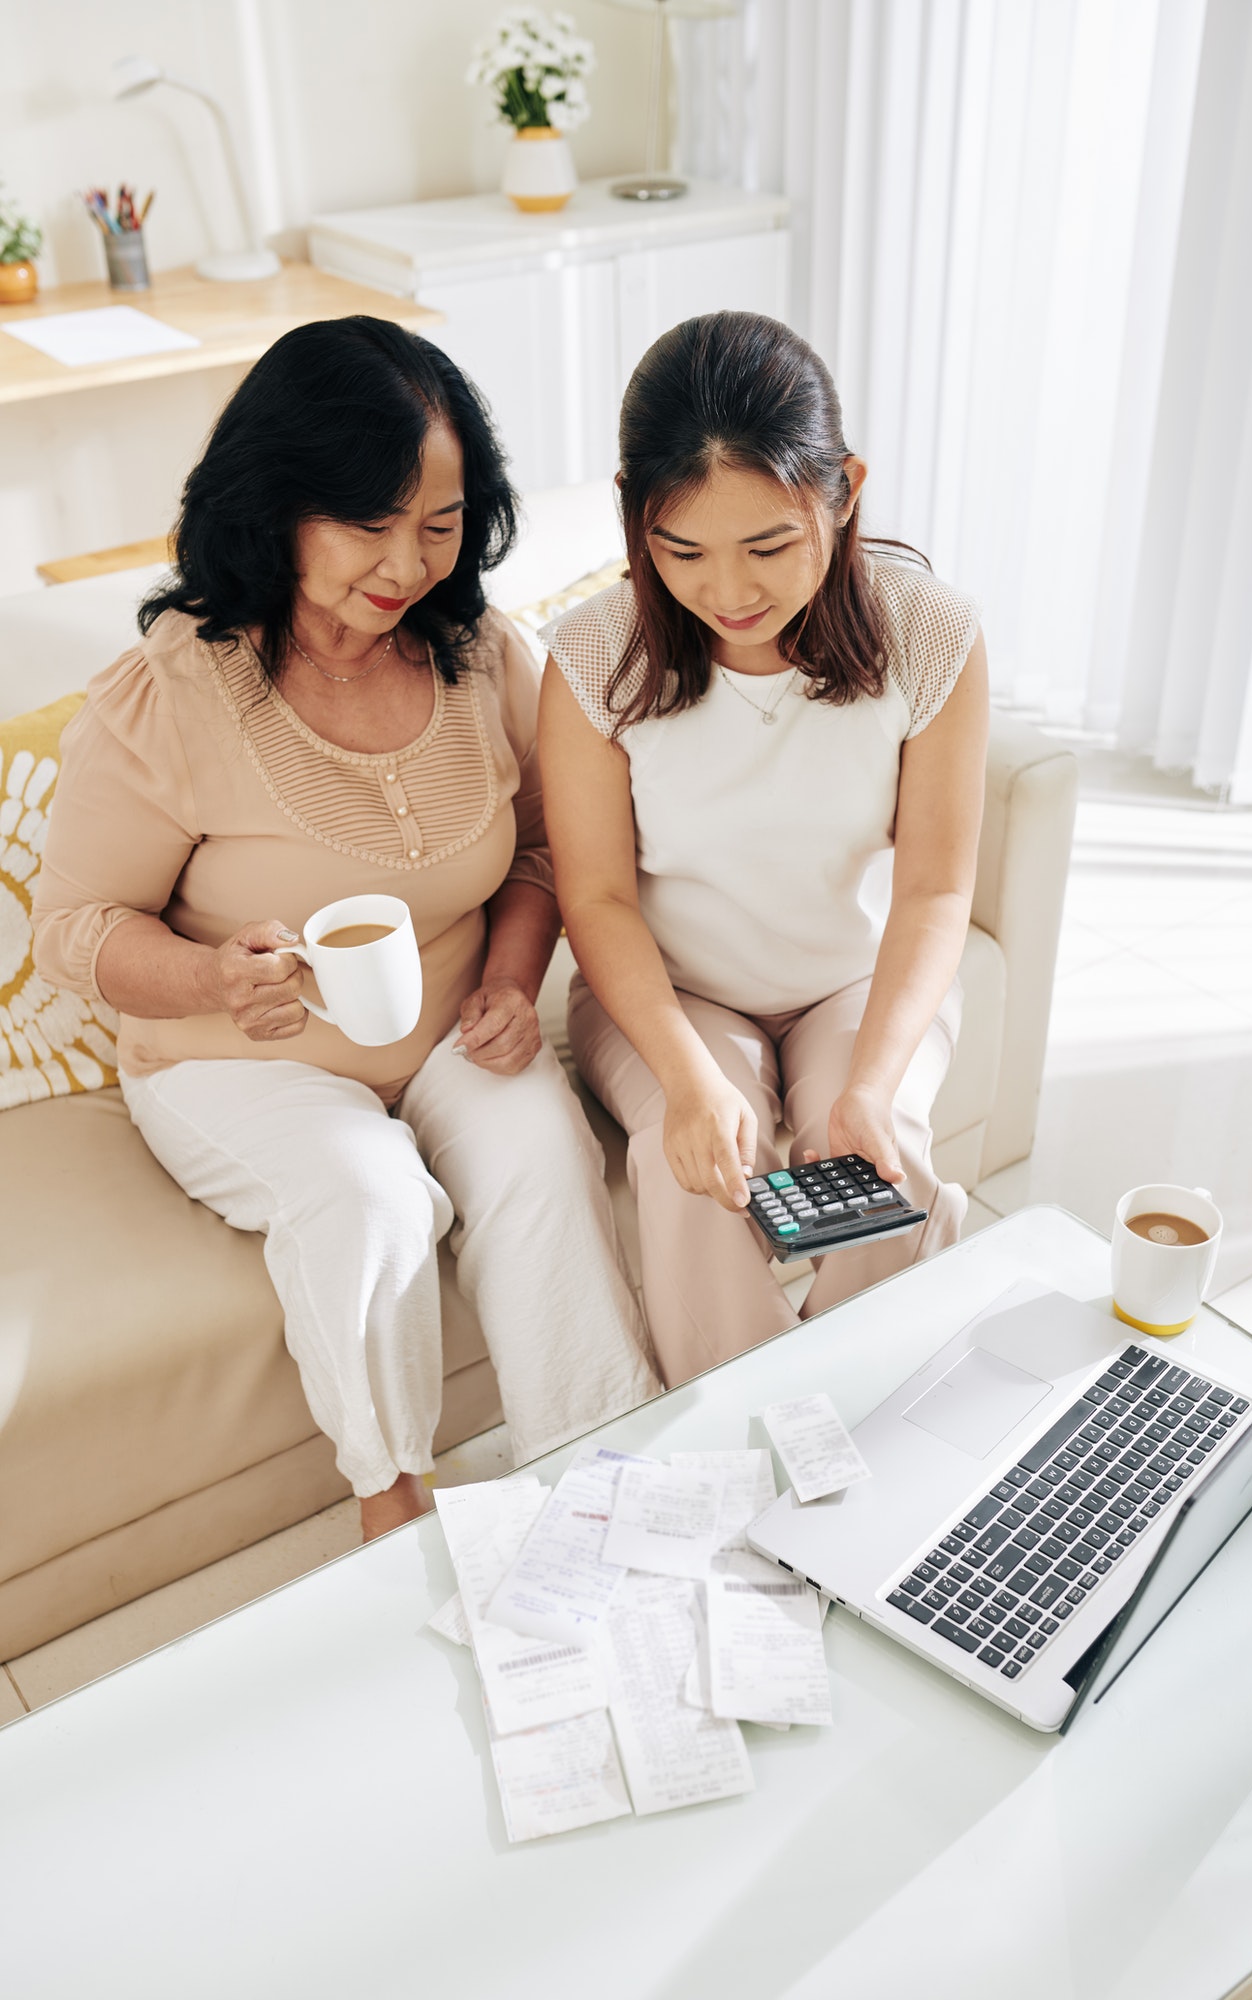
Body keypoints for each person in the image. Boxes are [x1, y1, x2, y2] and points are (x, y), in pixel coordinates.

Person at [32, 316, 657, 1539]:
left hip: (449, 1028)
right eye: (369, 522)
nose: (409, 562)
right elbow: (76, 923)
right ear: (278, 501)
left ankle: (604, 1486)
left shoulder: (481, 655)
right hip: (240, 1056)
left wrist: (515, 975)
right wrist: (214, 976)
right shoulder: (171, 692)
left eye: (439, 522)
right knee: (369, 1195)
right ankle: (394, 1503)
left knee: (538, 1156)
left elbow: (541, 845)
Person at [538, 310, 988, 1387]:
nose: (728, 591)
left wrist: (870, 1085)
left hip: (852, 978)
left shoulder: (931, 635)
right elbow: (594, 896)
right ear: (632, 517)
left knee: (885, 1150)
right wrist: (690, 1081)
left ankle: (867, 1406)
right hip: (672, 991)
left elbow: (932, 890)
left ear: (843, 492)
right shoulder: (593, 654)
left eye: (769, 545)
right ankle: (738, 1442)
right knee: (684, 1163)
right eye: (681, 549)